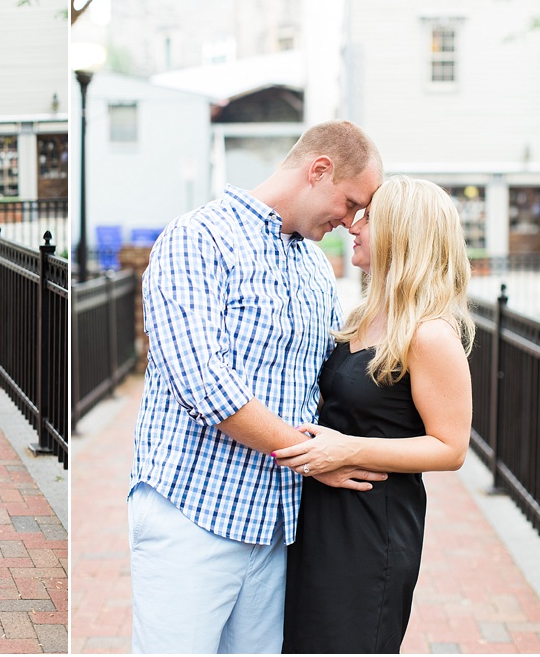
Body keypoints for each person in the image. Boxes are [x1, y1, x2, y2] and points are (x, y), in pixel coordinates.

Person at [130, 119, 386, 654]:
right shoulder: (198, 238)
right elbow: (204, 384)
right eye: (350, 203)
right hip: (193, 514)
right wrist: (318, 459)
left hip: (276, 526)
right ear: (319, 170)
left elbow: (326, 382)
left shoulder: (315, 267)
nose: (351, 221)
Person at [276, 176, 474, 653]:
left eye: (368, 218)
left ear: (401, 233)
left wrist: (348, 450)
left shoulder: (430, 335)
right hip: (322, 520)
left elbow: (451, 448)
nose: (353, 226)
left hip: (370, 531)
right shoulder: (363, 317)